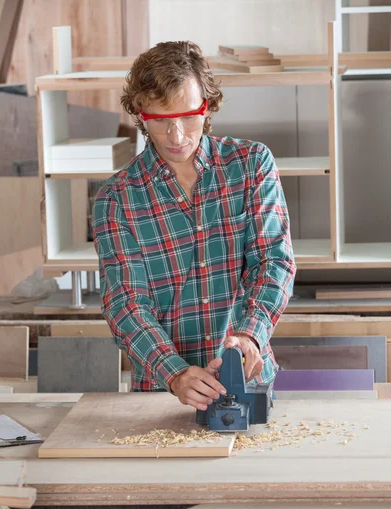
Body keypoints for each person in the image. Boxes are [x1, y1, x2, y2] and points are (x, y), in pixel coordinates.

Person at [93, 40, 296, 412]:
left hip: (248, 382)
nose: (177, 135)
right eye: (160, 120)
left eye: (188, 115)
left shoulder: (251, 165)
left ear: (208, 104)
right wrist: (174, 373)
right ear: (140, 113)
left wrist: (250, 334)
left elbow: (274, 262)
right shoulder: (116, 199)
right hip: (162, 397)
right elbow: (126, 303)